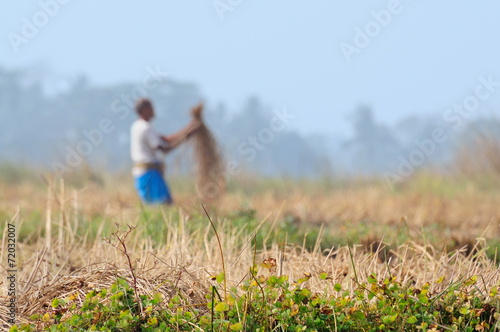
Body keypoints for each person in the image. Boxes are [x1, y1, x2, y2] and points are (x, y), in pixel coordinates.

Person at [130, 98, 200, 204]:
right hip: (149, 173)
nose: (153, 110)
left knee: (156, 204)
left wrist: (188, 129)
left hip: (144, 172)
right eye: (151, 108)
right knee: (162, 203)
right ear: (144, 110)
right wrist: (188, 136)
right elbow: (165, 149)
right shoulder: (145, 128)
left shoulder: (138, 125)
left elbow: (166, 139)